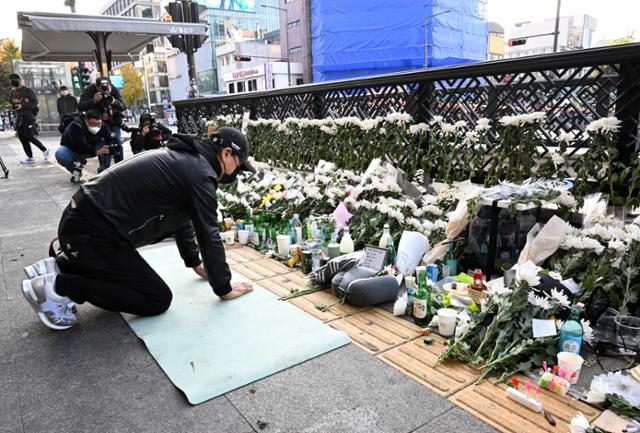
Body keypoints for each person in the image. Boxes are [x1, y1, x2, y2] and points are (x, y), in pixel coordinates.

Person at [21, 127, 256, 330]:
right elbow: (209, 234)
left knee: (125, 279)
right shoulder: (201, 175)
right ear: (227, 153)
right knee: (156, 298)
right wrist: (223, 288)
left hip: (84, 222)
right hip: (92, 233)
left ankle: (58, 266)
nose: (237, 172)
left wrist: (195, 264)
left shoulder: (186, 160)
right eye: (239, 165)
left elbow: (183, 218)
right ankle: (55, 287)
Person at [79, 77, 126, 172]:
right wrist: (93, 101)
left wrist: (114, 101)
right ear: (97, 87)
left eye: (107, 86)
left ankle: (121, 167)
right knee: (103, 143)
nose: (105, 89)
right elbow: (80, 106)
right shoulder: (89, 90)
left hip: (113, 122)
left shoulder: (113, 90)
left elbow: (123, 106)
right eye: (102, 87)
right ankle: (104, 168)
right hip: (99, 123)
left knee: (116, 141)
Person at [55, 109, 111, 183]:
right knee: (61, 154)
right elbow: (79, 145)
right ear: (86, 121)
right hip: (76, 149)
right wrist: (95, 151)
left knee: (106, 148)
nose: (97, 127)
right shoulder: (75, 126)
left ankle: (103, 173)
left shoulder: (102, 125)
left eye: (99, 124)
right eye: (93, 124)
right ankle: (76, 172)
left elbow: (110, 139)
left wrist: (110, 146)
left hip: (93, 147)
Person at [8, 73, 50, 164]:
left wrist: (22, 105)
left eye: (15, 79)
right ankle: (30, 157)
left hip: (29, 117)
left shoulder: (28, 90)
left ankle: (45, 150)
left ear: (20, 79)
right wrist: (13, 106)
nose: (13, 81)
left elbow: (35, 103)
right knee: (22, 137)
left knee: (29, 136)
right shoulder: (12, 91)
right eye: (11, 80)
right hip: (19, 117)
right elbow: (11, 102)